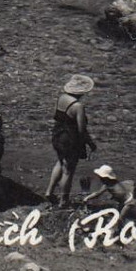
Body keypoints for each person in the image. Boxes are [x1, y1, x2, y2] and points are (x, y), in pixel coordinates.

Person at [45, 74, 96, 208]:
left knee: (60, 162)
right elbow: (81, 130)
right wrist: (91, 143)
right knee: (68, 170)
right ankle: (64, 200)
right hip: (69, 139)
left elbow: (57, 116)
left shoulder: (61, 98)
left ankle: (49, 191)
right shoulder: (78, 106)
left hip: (57, 134)